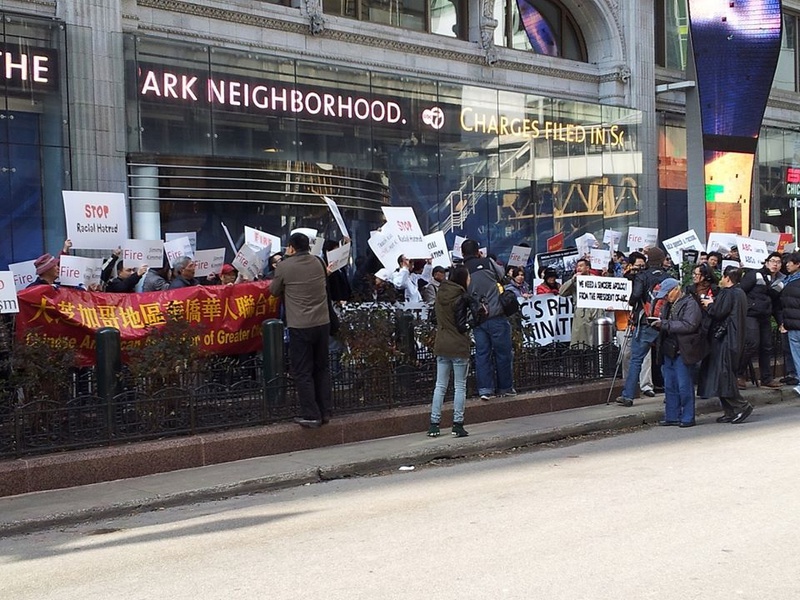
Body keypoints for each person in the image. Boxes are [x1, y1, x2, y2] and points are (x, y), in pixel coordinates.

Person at [271, 232, 332, 428]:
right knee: (321, 368)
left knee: (303, 371)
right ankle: (325, 411)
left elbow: (273, 290)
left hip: (300, 325)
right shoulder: (319, 262)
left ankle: (311, 414)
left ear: (291, 247)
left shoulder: (284, 266)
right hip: (322, 323)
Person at [697, 266, 754, 424]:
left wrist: (709, 304)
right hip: (732, 338)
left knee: (724, 376)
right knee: (722, 375)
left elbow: (718, 312)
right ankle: (730, 411)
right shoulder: (739, 293)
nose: (721, 280)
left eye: (723, 277)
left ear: (727, 278)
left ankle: (741, 406)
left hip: (726, 339)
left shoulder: (729, 293)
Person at [427, 266, 478, 438]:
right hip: (458, 345)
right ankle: (457, 424)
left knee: (440, 386)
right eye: (468, 276)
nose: (469, 279)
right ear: (463, 279)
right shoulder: (461, 297)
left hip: (441, 343)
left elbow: (434, 318)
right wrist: (472, 323)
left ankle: (434, 424)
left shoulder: (440, 293)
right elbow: (462, 325)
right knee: (459, 386)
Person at [461, 238, 515, 400]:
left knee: (482, 354)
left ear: (462, 254)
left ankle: (485, 389)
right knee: (503, 353)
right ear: (478, 251)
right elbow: (502, 274)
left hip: (478, 319)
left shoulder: (461, 270)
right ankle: (505, 388)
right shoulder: (488, 262)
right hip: (496, 314)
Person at [615, 246, 669, 407]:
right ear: (661, 260)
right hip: (666, 322)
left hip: (646, 321)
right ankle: (671, 395)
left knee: (636, 359)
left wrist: (632, 302)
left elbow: (636, 295)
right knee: (667, 360)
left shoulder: (642, 276)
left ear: (648, 260)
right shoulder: (668, 276)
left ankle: (628, 395)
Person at [650, 278, 704, 427]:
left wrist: (664, 324)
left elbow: (690, 325)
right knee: (670, 385)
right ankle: (672, 416)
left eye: (668, 294)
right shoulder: (668, 305)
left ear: (676, 289)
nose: (666, 298)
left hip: (683, 349)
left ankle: (687, 417)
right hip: (670, 349)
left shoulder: (690, 303)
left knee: (684, 385)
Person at [736, 252, 783, 389]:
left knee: (767, 346)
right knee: (752, 343)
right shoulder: (755, 274)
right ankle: (738, 374)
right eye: (773, 261)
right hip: (751, 314)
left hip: (765, 316)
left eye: (778, 262)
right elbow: (741, 291)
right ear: (766, 262)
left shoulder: (779, 281)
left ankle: (766, 378)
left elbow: (776, 304)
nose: (775, 264)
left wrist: (780, 322)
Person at [613, 252, 655, 398]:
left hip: (641, 323)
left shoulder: (646, 280)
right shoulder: (620, 281)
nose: (641, 269)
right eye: (638, 266)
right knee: (626, 356)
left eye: (643, 266)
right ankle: (629, 385)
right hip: (624, 323)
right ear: (630, 265)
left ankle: (646, 385)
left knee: (645, 356)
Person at [558, 258, 603, 347]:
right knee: (580, 341)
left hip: (595, 311)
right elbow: (561, 292)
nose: (578, 268)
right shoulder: (574, 281)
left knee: (596, 338)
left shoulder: (596, 279)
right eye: (577, 266)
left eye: (581, 266)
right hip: (581, 313)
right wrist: (572, 280)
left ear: (587, 268)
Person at [779, 252, 800, 393]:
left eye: (790, 262)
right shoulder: (787, 281)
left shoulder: (787, 283)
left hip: (793, 325)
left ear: (798, 264)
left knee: (797, 355)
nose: (787, 265)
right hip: (792, 324)